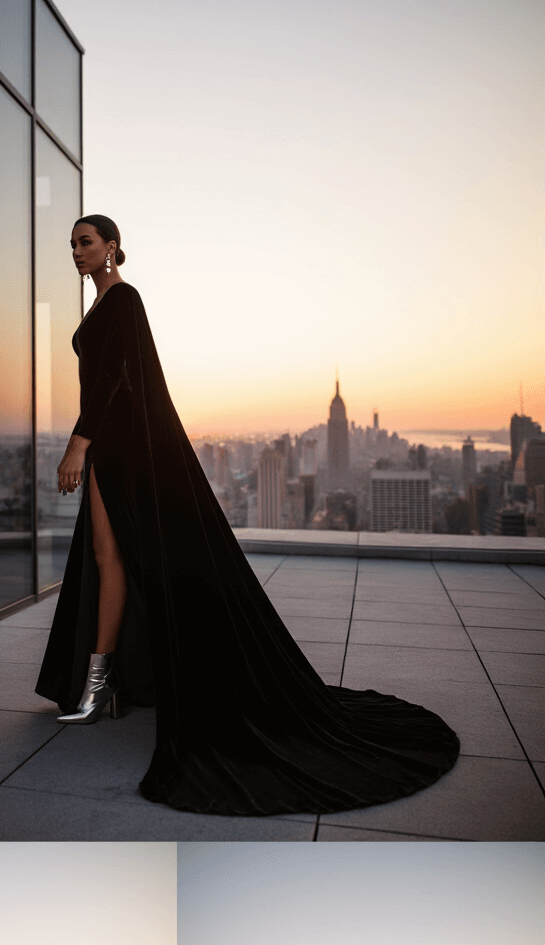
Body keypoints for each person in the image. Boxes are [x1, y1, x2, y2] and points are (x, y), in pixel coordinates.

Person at [35, 216, 460, 817]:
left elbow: (112, 380)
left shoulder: (124, 298)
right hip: (111, 443)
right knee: (107, 560)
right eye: (73, 244)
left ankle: (100, 688)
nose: (78, 252)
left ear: (112, 248)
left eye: (87, 242)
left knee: (122, 560)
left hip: (121, 445)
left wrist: (78, 444)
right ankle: (99, 687)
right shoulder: (102, 306)